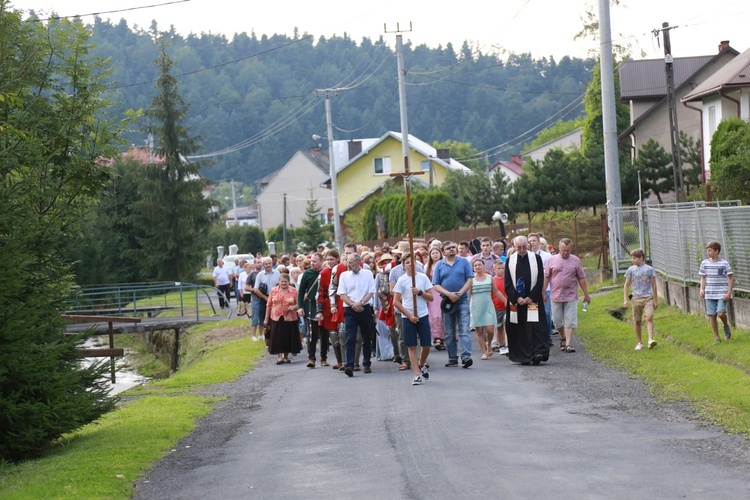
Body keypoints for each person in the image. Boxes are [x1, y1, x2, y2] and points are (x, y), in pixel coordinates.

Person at [505, 236, 549, 365]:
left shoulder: (536, 258)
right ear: (514, 247)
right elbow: (507, 282)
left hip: (532, 300)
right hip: (517, 302)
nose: (522, 250)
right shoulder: (510, 260)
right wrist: (517, 298)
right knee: (518, 327)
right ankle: (522, 355)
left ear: (528, 245)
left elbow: (541, 279)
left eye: (524, 247)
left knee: (536, 326)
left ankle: (538, 353)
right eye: (519, 248)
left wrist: (531, 297)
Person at [542, 238, 591, 353]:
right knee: (557, 320)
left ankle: (568, 343)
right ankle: (562, 336)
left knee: (570, 320)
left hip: (571, 295)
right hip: (556, 295)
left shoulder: (575, 260)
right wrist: (543, 292)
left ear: (571, 249)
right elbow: (546, 277)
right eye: (563, 250)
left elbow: (581, 278)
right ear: (559, 248)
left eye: (568, 250)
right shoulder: (552, 260)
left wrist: (586, 294)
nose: (565, 253)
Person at [431, 240, 474, 368]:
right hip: (447, 302)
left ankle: (466, 357)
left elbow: (469, 280)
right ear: (443, 252)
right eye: (448, 248)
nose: (452, 249)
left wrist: (459, 293)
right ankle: (452, 358)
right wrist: (449, 294)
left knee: (464, 329)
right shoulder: (439, 265)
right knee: (449, 331)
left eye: (453, 247)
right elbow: (436, 284)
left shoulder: (464, 262)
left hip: (461, 300)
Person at [393, 252, 434, 386]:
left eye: (412, 262)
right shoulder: (401, 280)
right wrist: (409, 315)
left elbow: (431, 297)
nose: (410, 264)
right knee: (411, 345)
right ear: (404, 266)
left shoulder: (422, 278)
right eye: (407, 263)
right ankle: (416, 374)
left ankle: (421, 363)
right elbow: (396, 301)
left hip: (422, 314)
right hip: (408, 316)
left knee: (426, 344)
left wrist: (420, 293)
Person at [337, 253, 376, 377]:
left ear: (358, 262)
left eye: (351, 262)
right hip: (350, 309)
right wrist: (353, 304)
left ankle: (367, 363)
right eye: (347, 262)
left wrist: (361, 303)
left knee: (366, 337)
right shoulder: (344, 275)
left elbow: (371, 292)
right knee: (350, 337)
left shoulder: (367, 274)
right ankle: (350, 365)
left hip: (364, 308)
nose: (348, 264)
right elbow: (342, 294)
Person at [470, 259, 506, 360]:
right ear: (473, 268)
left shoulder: (489, 278)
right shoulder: (471, 279)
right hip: (476, 306)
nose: (478, 267)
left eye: (480, 265)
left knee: (490, 330)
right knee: (479, 331)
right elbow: (469, 295)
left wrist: (505, 300)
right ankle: (484, 352)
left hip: (488, 306)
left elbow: (496, 291)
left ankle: (489, 344)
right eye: (475, 265)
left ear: (484, 266)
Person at [623, 248, 658, 350]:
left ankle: (650, 340)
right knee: (637, 321)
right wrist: (625, 299)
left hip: (648, 297)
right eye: (632, 258)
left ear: (641, 258)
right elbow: (626, 285)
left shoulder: (649, 269)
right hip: (636, 298)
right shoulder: (631, 270)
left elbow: (654, 285)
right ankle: (639, 342)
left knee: (649, 317)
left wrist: (655, 300)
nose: (632, 260)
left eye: (634, 258)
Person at [699, 240, 734, 344]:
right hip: (709, 293)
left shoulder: (724, 263)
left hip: (721, 293)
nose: (708, 252)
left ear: (716, 251)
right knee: (712, 315)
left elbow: (731, 279)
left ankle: (726, 326)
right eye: (707, 251)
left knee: (720, 313)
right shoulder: (704, 263)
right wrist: (702, 288)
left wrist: (728, 293)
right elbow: (703, 277)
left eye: (710, 250)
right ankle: (717, 338)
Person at [316, 249, 346, 369]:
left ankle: (345, 361)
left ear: (337, 259)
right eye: (327, 259)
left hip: (342, 302)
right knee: (333, 335)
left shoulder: (342, 269)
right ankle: (339, 360)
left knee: (343, 333)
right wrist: (319, 310)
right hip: (329, 305)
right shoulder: (323, 273)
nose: (329, 262)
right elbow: (320, 292)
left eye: (331, 259)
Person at [264, 273, 302, 364]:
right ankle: (279, 356)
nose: (283, 283)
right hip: (276, 317)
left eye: (285, 282)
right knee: (277, 337)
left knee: (287, 337)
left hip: (289, 317)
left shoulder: (293, 291)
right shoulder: (273, 290)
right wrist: (266, 318)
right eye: (282, 281)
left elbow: (299, 304)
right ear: (279, 282)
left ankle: (286, 356)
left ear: (289, 282)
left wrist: (294, 307)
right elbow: (268, 305)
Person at [298, 252, 328, 367]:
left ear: (321, 261)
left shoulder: (326, 272)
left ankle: (323, 358)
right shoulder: (307, 274)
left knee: (324, 334)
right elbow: (301, 292)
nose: (312, 263)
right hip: (311, 307)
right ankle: (311, 358)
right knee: (312, 334)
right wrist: (300, 306)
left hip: (323, 307)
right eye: (311, 261)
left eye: (314, 261)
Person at [529, 232, 554, 346]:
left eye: (534, 241)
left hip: (547, 288)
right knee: (534, 314)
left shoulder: (547, 256)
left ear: (539, 242)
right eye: (530, 241)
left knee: (547, 313)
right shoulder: (527, 257)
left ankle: (547, 336)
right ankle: (536, 338)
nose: (532, 243)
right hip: (533, 291)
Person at [254, 257, 281, 345]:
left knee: (277, 319)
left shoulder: (277, 273)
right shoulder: (260, 275)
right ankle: (268, 340)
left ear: (272, 264)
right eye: (266, 264)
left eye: (269, 263)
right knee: (266, 320)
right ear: (263, 265)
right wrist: (265, 297)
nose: (268, 265)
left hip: (276, 300)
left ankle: (277, 338)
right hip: (264, 300)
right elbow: (256, 289)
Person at [425, 246, 446, 350]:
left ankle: (443, 338)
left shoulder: (444, 265)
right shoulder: (427, 267)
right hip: (432, 292)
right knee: (434, 314)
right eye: (433, 253)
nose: (435, 255)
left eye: (437, 253)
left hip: (442, 291)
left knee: (442, 314)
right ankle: (436, 337)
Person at [491, 259, 509, 355]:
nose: (501, 270)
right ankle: (502, 345)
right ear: (494, 269)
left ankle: (508, 345)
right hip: (496, 308)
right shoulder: (492, 280)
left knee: (507, 325)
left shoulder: (507, 279)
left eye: (503, 268)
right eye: (499, 268)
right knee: (499, 328)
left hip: (507, 307)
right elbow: (492, 294)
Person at [247, 260, 263, 341]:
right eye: (258, 262)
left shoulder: (264, 273)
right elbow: (246, 287)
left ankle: (261, 334)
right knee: (255, 317)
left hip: (263, 298)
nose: (259, 264)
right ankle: (253, 335)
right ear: (255, 264)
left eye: (261, 262)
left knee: (262, 317)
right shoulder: (252, 274)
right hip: (255, 298)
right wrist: (254, 290)